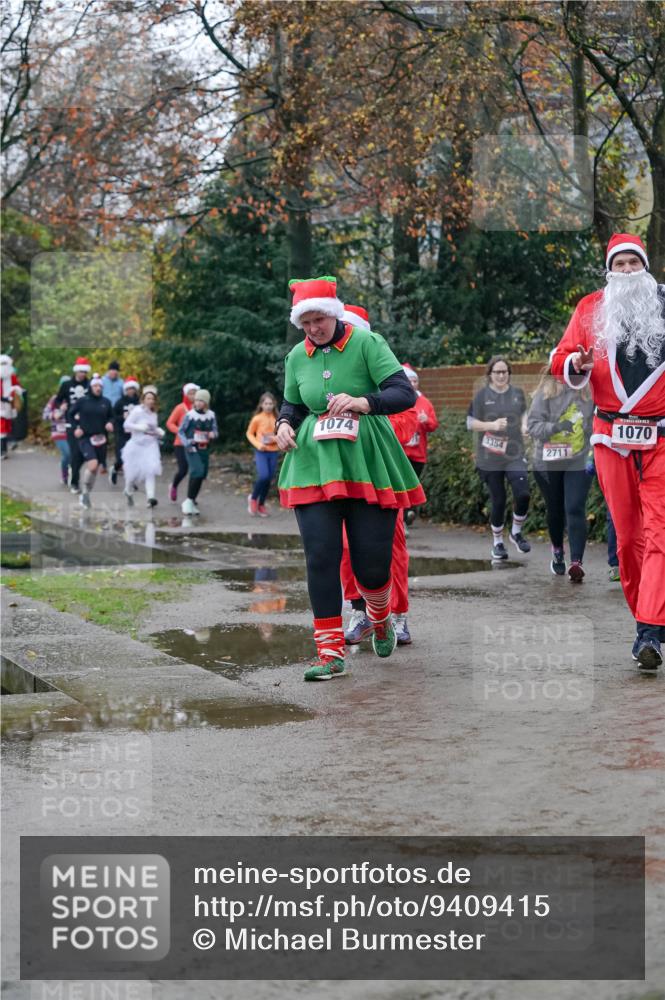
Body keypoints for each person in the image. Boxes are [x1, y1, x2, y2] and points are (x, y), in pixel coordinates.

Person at [275, 275, 424, 681]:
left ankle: (380, 615)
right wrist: (284, 424)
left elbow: (403, 393)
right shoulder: (296, 356)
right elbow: (292, 404)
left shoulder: (366, 343)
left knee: (371, 567)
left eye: (319, 320)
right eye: (305, 323)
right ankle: (330, 654)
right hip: (314, 464)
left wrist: (363, 402)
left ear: (334, 314)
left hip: (367, 461)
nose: (313, 329)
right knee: (321, 556)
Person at [551, 232, 665, 671]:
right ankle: (647, 620)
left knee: (659, 534)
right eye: (620, 264)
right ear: (609, 271)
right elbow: (561, 357)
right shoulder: (590, 308)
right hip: (610, 438)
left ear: (646, 266)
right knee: (630, 537)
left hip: (661, 438)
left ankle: (649, 631)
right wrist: (575, 364)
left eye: (634, 262)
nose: (628, 270)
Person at [343, 403, 419, 646]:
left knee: (393, 549)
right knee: (346, 547)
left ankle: (397, 615)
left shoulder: (393, 391)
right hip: (349, 478)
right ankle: (360, 613)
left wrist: (364, 416)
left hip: (384, 480)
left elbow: (405, 425)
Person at [527, 363, 594, 581]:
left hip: (578, 459)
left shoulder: (589, 391)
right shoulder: (546, 391)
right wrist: (556, 427)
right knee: (555, 509)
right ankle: (557, 550)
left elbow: (595, 424)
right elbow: (533, 426)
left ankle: (576, 563)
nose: (577, 374)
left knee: (574, 507)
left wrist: (594, 449)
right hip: (548, 461)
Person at [467, 355, 531, 561]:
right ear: (490, 374)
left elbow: (524, 413)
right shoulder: (482, 396)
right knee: (499, 500)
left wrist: (524, 425)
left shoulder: (517, 394)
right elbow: (470, 422)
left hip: (514, 453)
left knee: (523, 493)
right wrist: (491, 426)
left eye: (504, 372)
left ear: (509, 374)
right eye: (497, 372)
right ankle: (498, 543)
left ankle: (516, 532)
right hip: (489, 457)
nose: (501, 375)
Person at [68, 374, 114, 508]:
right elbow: (70, 414)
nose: (98, 388)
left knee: (94, 470)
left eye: (100, 386)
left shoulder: (106, 402)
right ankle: (83, 491)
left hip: (101, 439)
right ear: (91, 387)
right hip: (86, 437)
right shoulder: (83, 401)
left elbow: (112, 417)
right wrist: (76, 427)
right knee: (92, 465)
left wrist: (110, 423)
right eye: (95, 386)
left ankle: (86, 494)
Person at [401, 363, 439, 526]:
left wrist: (426, 420)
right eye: (409, 381)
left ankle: (409, 512)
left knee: (413, 483)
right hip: (400, 452)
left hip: (418, 453)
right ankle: (403, 517)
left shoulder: (425, 402)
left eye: (415, 381)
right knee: (402, 483)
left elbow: (434, 425)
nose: (412, 384)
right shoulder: (397, 400)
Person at [121, 385, 164, 508]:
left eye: (153, 399)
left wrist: (159, 431)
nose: (151, 401)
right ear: (143, 399)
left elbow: (152, 428)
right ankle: (128, 490)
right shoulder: (137, 411)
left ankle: (150, 498)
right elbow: (126, 424)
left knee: (151, 470)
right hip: (136, 445)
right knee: (132, 474)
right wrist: (139, 427)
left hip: (150, 445)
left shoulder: (153, 413)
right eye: (148, 398)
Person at [179, 388, 218, 515]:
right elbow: (181, 431)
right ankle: (188, 501)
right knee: (197, 471)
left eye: (201, 401)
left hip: (204, 448)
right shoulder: (190, 415)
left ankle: (191, 501)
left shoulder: (211, 415)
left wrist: (213, 434)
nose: (198, 403)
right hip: (192, 447)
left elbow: (215, 430)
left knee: (201, 475)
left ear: (206, 402)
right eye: (197, 400)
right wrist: (187, 442)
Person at [55, 357, 91, 492]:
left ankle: (73, 470)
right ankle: (75, 483)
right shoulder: (67, 385)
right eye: (80, 371)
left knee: (85, 454)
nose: (82, 374)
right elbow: (58, 400)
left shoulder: (90, 385)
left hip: (88, 423)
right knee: (75, 452)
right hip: (72, 423)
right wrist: (61, 406)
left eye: (84, 372)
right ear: (76, 371)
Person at [246, 392, 280, 517]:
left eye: (270, 403)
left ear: (274, 404)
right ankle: (253, 498)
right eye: (266, 403)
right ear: (261, 405)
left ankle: (261, 505)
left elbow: (280, 433)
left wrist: (276, 439)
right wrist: (258, 444)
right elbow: (249, 433)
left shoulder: (278, 418)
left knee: (269, 479)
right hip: (261, 451)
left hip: (274, 451)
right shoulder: (257, 418)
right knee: (264, 476)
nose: (268, 406)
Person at [166, 382, 199, 502]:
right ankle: (174, 486)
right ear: (185, 395)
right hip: (180, 444)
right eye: (190, 393)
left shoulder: (200, 408)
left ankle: (191, 497)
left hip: (195, 443)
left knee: (195, 471)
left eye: (195, 393)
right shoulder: (180, 408)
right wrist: (179, 431)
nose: (193, 396)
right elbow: (170, 423)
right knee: (183, 469)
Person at [110, 375, 140, 485]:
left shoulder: (139, 402)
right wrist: (122, 417)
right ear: (125, 390)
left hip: (135, 433)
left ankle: (131, 481)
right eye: (128, 389)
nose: (130, 391)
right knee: (121, 457)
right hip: (121, 433)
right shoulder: (120, 402)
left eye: (132, 389)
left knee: (133, 458)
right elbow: (113, 416)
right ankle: (114, 468)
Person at [42, 377, 71, 485]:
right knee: (67, 453)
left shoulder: (74, 399)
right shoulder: (55, 399)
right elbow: (45, 415)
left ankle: (72, 474)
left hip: (72, 431)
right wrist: (56, 414)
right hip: (59, 432)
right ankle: (65, 475)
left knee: (73, 455)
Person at [0, 355, 23, 459]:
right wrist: (4, 399)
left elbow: (17, 387)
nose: (4, 366)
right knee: (2, 428)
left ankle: (6, 447)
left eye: (6, 364)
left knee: (8, 426)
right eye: (2, 364)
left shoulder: (12, 376)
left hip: (10, 406)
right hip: (1, 406)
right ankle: (2, 450)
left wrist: (17, 393)